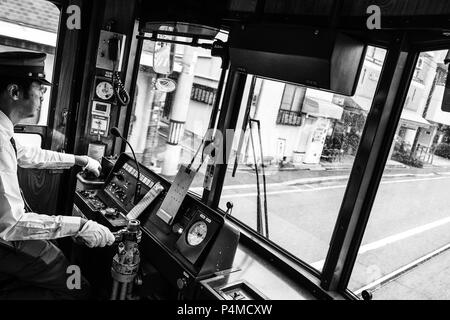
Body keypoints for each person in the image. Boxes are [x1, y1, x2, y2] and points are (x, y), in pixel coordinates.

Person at [0, 51, 115, 299]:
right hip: (4, 243)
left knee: (57, 255)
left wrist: (78, 160)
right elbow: (12, 225)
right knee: (77, 286)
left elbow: (28, 154)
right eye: (39, 88)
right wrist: (80, 225)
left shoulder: (3, 132)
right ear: (14, 92)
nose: (43, 95)